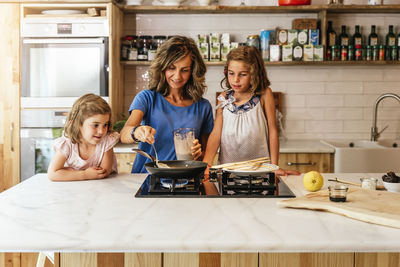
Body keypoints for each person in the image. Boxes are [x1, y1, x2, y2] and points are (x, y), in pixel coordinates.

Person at [120, 35, 214, 173]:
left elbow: (206, 151)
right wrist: (137, 132)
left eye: (185, 70)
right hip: (147, 179)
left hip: (187, 181)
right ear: (162, 68)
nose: (177, 76)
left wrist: (199, 153)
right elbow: (124, 133)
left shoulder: (203, 107)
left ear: (193, 71)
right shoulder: (147, 98)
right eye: (171, 68)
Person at [203, 46, 300, 176]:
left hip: (260, 171)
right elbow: (216, 134)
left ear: (254, 74)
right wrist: (207, 163)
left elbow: (272, 130)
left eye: (243, 74)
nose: (236, 79)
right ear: (225, 72)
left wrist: (274, 166)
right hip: (228, 171)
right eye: (231, 73)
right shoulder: (224, 97)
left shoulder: (265, 94)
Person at [48, 94, 120, 181]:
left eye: (105, 125)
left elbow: (103, 172)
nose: (101, 131)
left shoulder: (106, 141)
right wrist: (85, 174)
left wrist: (70, 173)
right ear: (77, 124)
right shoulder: (67, 144)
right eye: (95, 125)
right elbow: (53, 174)